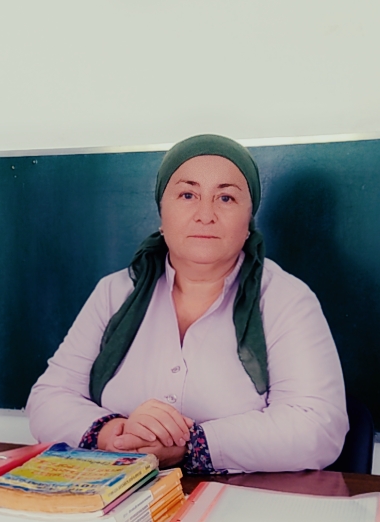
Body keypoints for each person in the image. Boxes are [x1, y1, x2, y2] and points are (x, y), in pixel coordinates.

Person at [26, 135, 349, 473]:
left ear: (248, 220)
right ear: (161, 214)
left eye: (226, 197)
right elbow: (48, 398)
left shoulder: (287, 299)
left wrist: (191, 445)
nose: (205, 215)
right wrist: (114, 434)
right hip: (117, 492)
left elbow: (317, 427)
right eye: (187, 195)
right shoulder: (115, 292)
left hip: (237, 498)